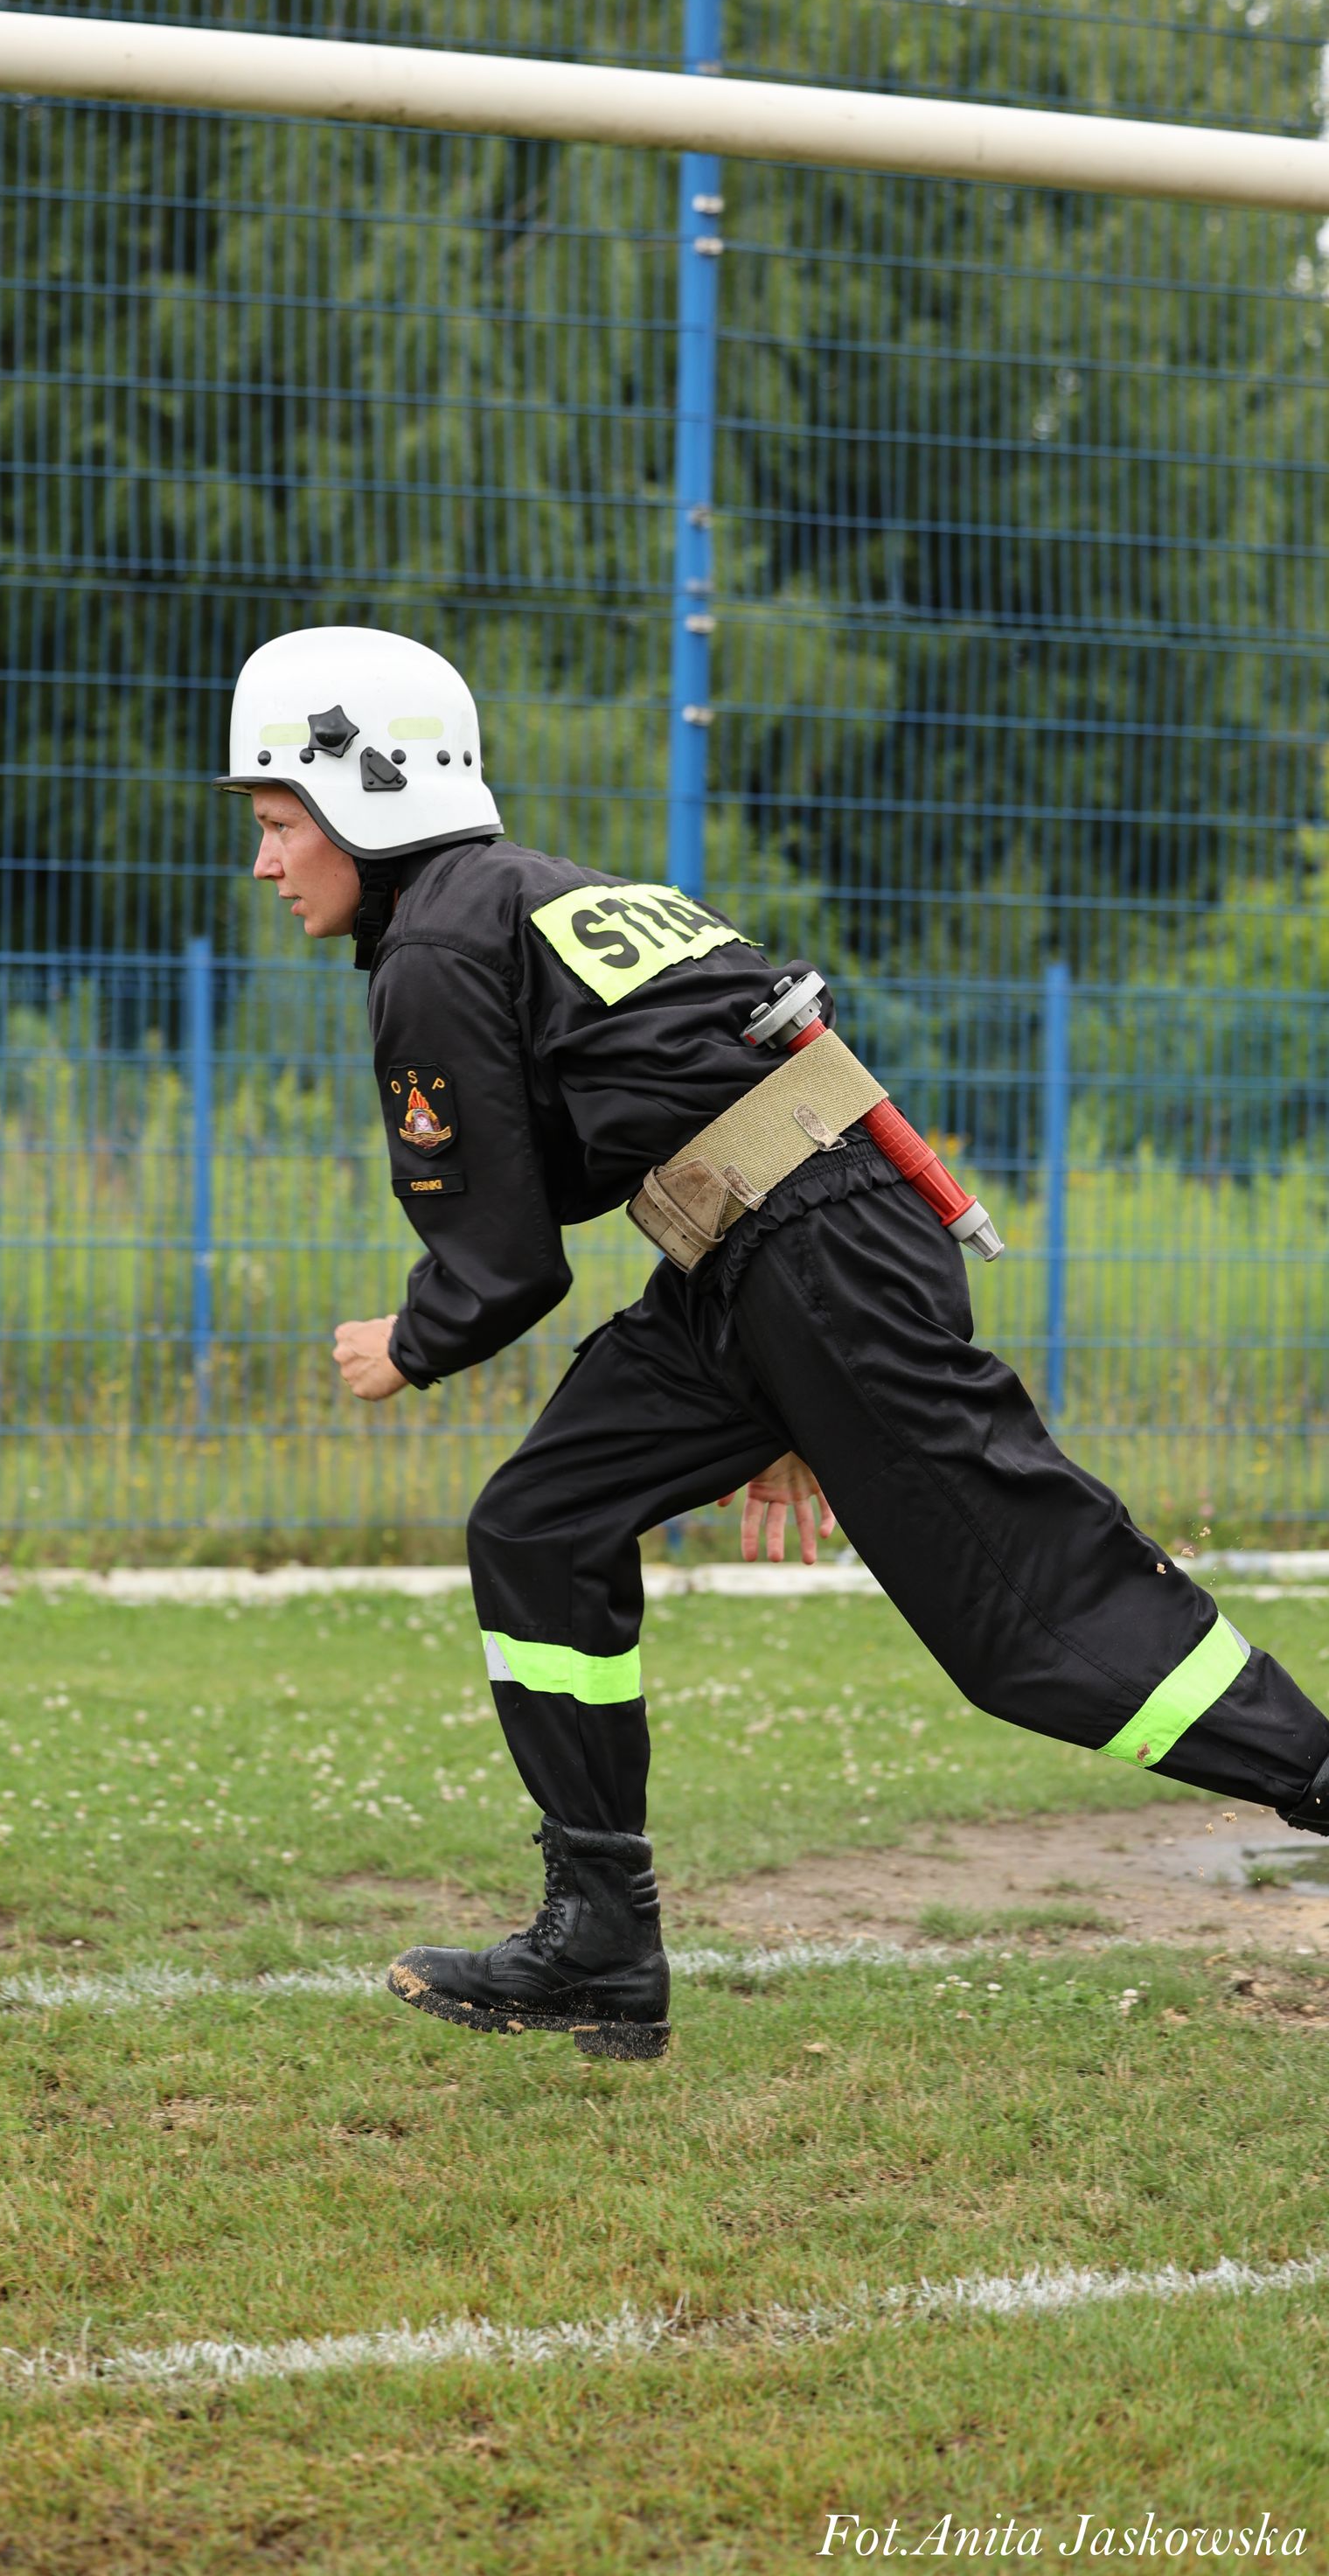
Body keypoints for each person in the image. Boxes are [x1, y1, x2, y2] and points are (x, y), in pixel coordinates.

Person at [225, 623, 1329, 2063]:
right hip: (767, 1250)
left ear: (369, 798)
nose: (263, 865)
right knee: (542, 1524)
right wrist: (787, 1378)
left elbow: (503, 1264)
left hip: (806, 1254)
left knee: (1030, 1626)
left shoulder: (437, 941)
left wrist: (409, 1344)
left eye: (275, 823)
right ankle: (601, 1939)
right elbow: (668, 1112)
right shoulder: (534, 897)